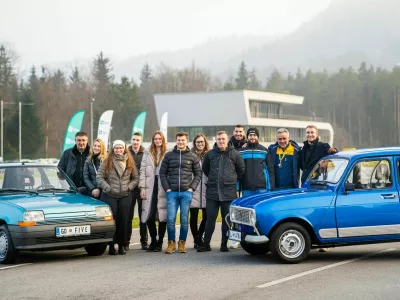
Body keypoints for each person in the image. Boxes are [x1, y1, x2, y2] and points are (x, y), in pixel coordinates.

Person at [197, 131, 245, 253]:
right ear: (216, 140)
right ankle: (206, 244)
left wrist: (231, 179)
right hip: (212, 193)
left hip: (229, 193)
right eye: (219, 139)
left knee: (226, 220)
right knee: (210, 219)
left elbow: (241, 171)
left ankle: (224, 244)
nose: (221, 141)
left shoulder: (235, 154)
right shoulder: (210, 154)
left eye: (223, 139)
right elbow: (206, 169)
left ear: (227, 139)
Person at [159, 132, 202, 254]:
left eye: (183, 140)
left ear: (186, 141)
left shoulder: (192, 156)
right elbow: (162, 173)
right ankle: (171, 244)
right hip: (171, 193)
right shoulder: (168, 156)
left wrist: (191, 188)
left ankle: (182, 243)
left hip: (186, 193)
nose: (180, 142)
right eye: (178, 140)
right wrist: (167, 188)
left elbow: (198, 173)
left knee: (184, 220)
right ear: (176, 141)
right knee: (171, 219)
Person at [298, 125, 337, 253]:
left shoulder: (323, 146)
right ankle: (308, 240)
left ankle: (323, 242)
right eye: (308, 133)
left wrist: (333, 151)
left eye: (312, 133)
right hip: (306, 182)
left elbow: (334, 152)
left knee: (321, 211)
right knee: (307, 212)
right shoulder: (303, 148)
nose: (310, 135)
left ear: (316, 134)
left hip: (319, 183)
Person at [97, 140, 139, 255]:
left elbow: (135, 178)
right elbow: (100, 178)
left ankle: (122, 245)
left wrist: (129, 188)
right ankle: (111, 246)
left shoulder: (129, 161)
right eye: (116, 148)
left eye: (121, 148)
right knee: (112, 222)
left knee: (123, 221)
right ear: (113, 149)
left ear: (124, 149)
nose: (118, 150)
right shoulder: (107, 161)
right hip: (110, 195)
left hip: (125, 196)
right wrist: (108, 188)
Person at [139, 131, 168, 252]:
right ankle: (153, 241)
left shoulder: (167, 153)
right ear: (153, 140)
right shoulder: (147, 152)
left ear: (162, 140)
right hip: (150, 186)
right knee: (149, 215)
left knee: (162, 215)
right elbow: (142, 170)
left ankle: (160, 242)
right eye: (155, 139)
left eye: (159, 139)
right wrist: (142, 188)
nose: (157, 141)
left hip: (163, 185)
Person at [125, 132, 148, 251]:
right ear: (131, 140)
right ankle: (126, 242)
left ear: (141, 141)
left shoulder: (145, 153)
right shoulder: (125, 153)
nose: (135, 142)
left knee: (143, 216)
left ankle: (144, 241)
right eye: (133, 139)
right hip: (129, 189)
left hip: (142, 189)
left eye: (137, 140)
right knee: (128, 217)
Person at [239, 127, 275, 196]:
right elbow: (238, 171)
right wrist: (237, 189)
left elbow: (270, 170)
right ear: (247, 137)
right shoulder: (241, 152)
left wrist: (271, 188)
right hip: (246, 188)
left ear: (258, 137)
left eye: (254, 135)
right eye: (250, 135)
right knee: (247, 207)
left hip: (262, 188)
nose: (252, 137)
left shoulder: (264, 151)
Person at [190, 133, 210, 249]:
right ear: (195, 143)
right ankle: (196, 240)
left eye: (202, 142)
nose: (200, 144)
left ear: (205, 142)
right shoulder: (191, 155)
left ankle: (200, 236)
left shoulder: (209, 154)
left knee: (206, 216)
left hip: (206, 189)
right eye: (198, 142)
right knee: (193, 216)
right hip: (194, 189)